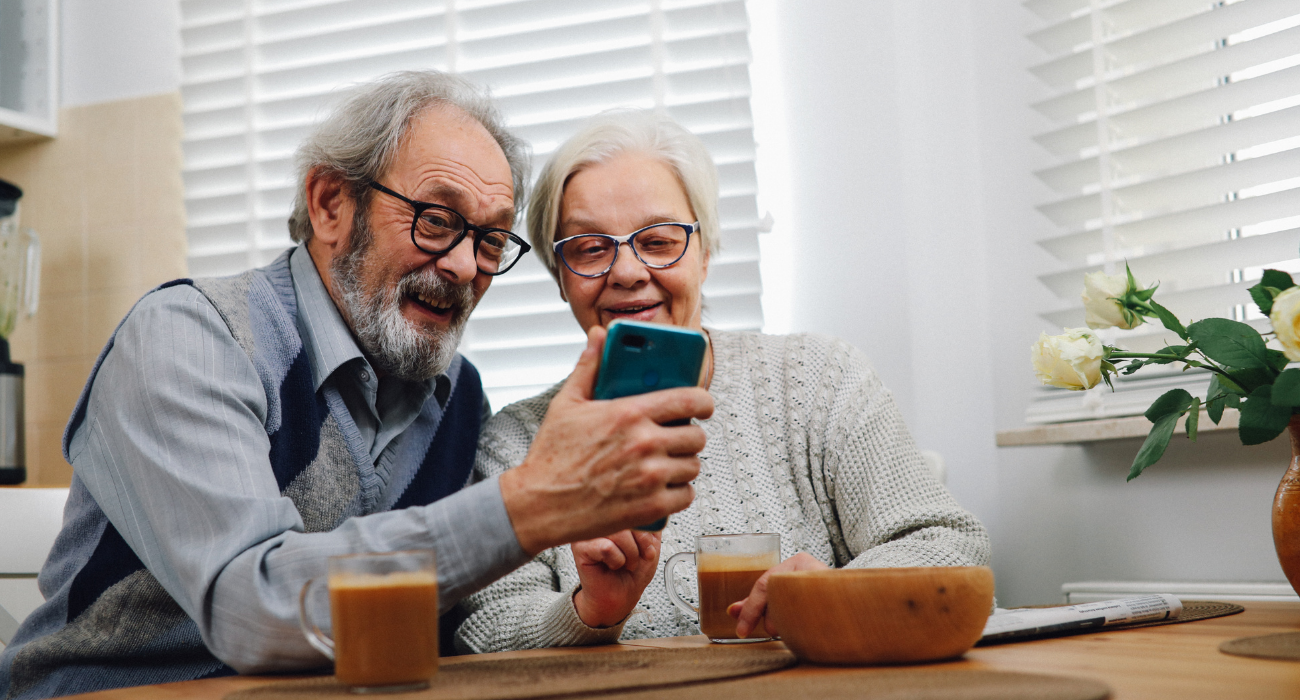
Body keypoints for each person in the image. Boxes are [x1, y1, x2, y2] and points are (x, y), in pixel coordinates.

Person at [0, 74, 713, 700]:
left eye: (491, 240)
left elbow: (443, 630)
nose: (466, 265)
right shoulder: (189, 337)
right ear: (330, 204)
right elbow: (254, 607)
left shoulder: (459, 400)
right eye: (438, 220)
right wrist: (529, 508)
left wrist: (588, 604)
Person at [455, 111, 991, 653]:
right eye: (589, 249)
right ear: (561, 277)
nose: (626, 272)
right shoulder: (515, 442)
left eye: (659, 240)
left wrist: (834, 590)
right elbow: (482, 633)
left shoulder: (820, 379)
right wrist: (589, 612)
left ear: (705, 254)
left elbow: (947, 541)